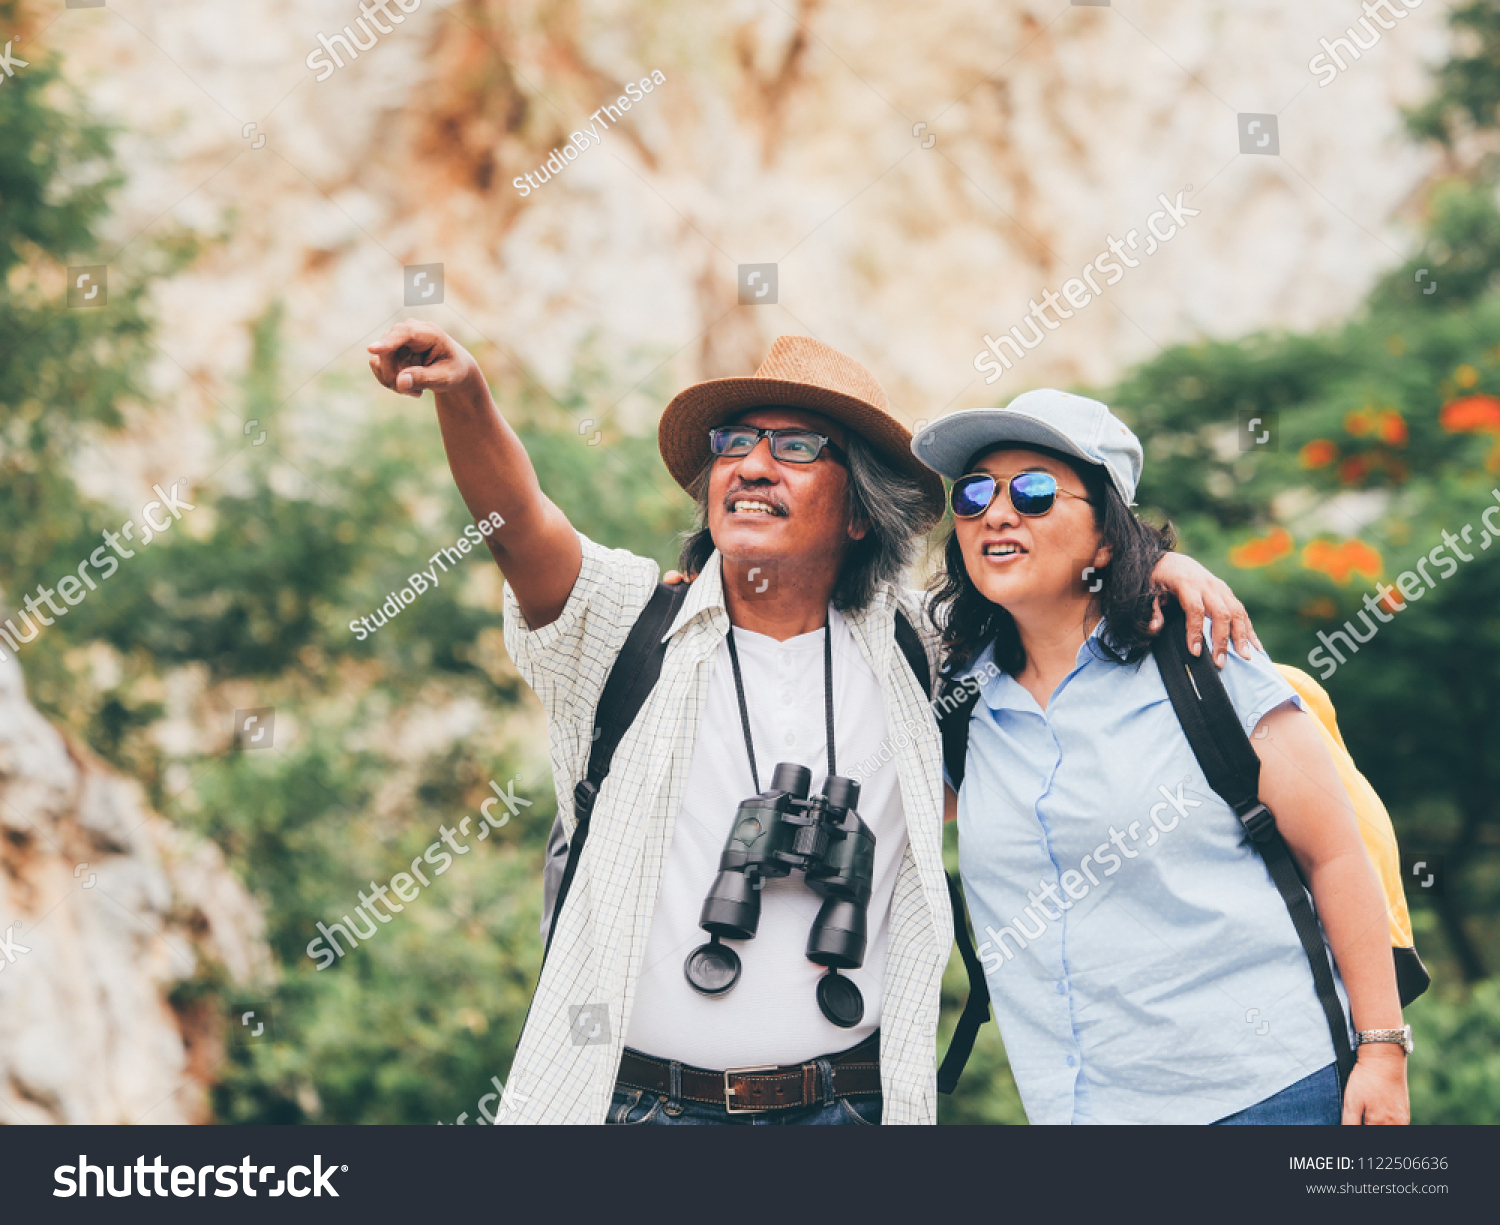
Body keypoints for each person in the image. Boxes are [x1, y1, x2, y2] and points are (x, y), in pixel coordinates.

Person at [367, 324, 1254, 1124]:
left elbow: (1047, 586)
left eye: (796, 447)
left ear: (863, 511)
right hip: (637, 1107)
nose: (753, 465)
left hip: (848, 1105)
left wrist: (1156, 565)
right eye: (735, 443)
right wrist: (466, 395)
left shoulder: (922, 646)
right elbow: (520, 523)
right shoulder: (627, 626)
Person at [911, 390, 1411, 1125]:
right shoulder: (958, 697)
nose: (997, 513)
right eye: (974, 493)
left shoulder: (1205, 660)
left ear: (1106, 537)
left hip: (1271, 1095)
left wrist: (1383, 1053)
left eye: (1035, 491)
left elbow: (1334, 855)